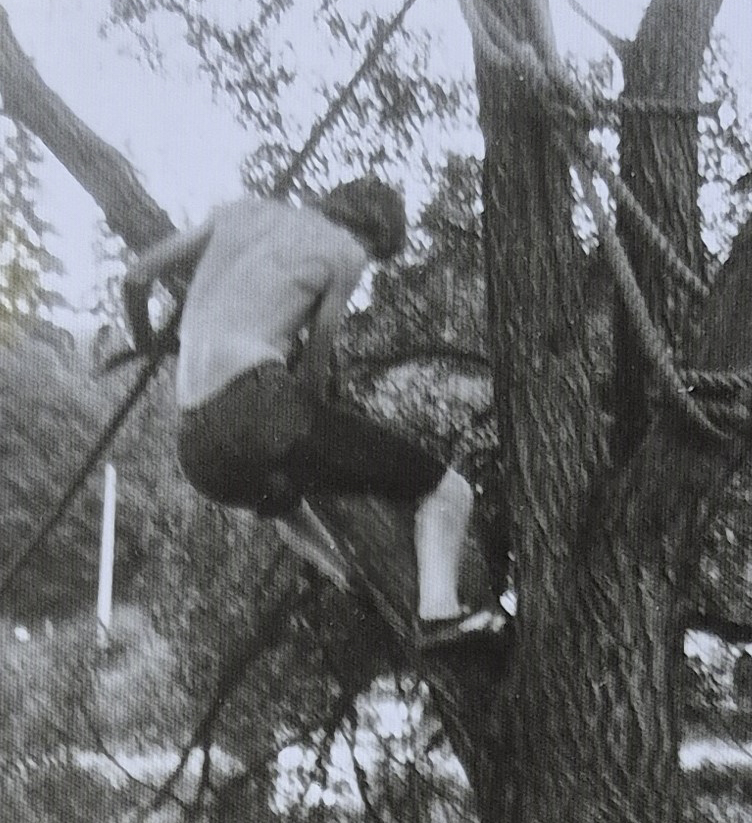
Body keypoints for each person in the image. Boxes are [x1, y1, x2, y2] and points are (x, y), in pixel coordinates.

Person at [122, 178, 504, 648]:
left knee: (284, 502)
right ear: (375, 232)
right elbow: (314, 369)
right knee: (447, 490)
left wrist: (145, 344)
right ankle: (438, 615)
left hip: (198, 450)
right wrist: (320, 426)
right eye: (375, 253)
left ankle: (348, 580)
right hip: (259, 407)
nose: (367, 260)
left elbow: (136, 277)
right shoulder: (346, 249)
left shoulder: (240, 211)